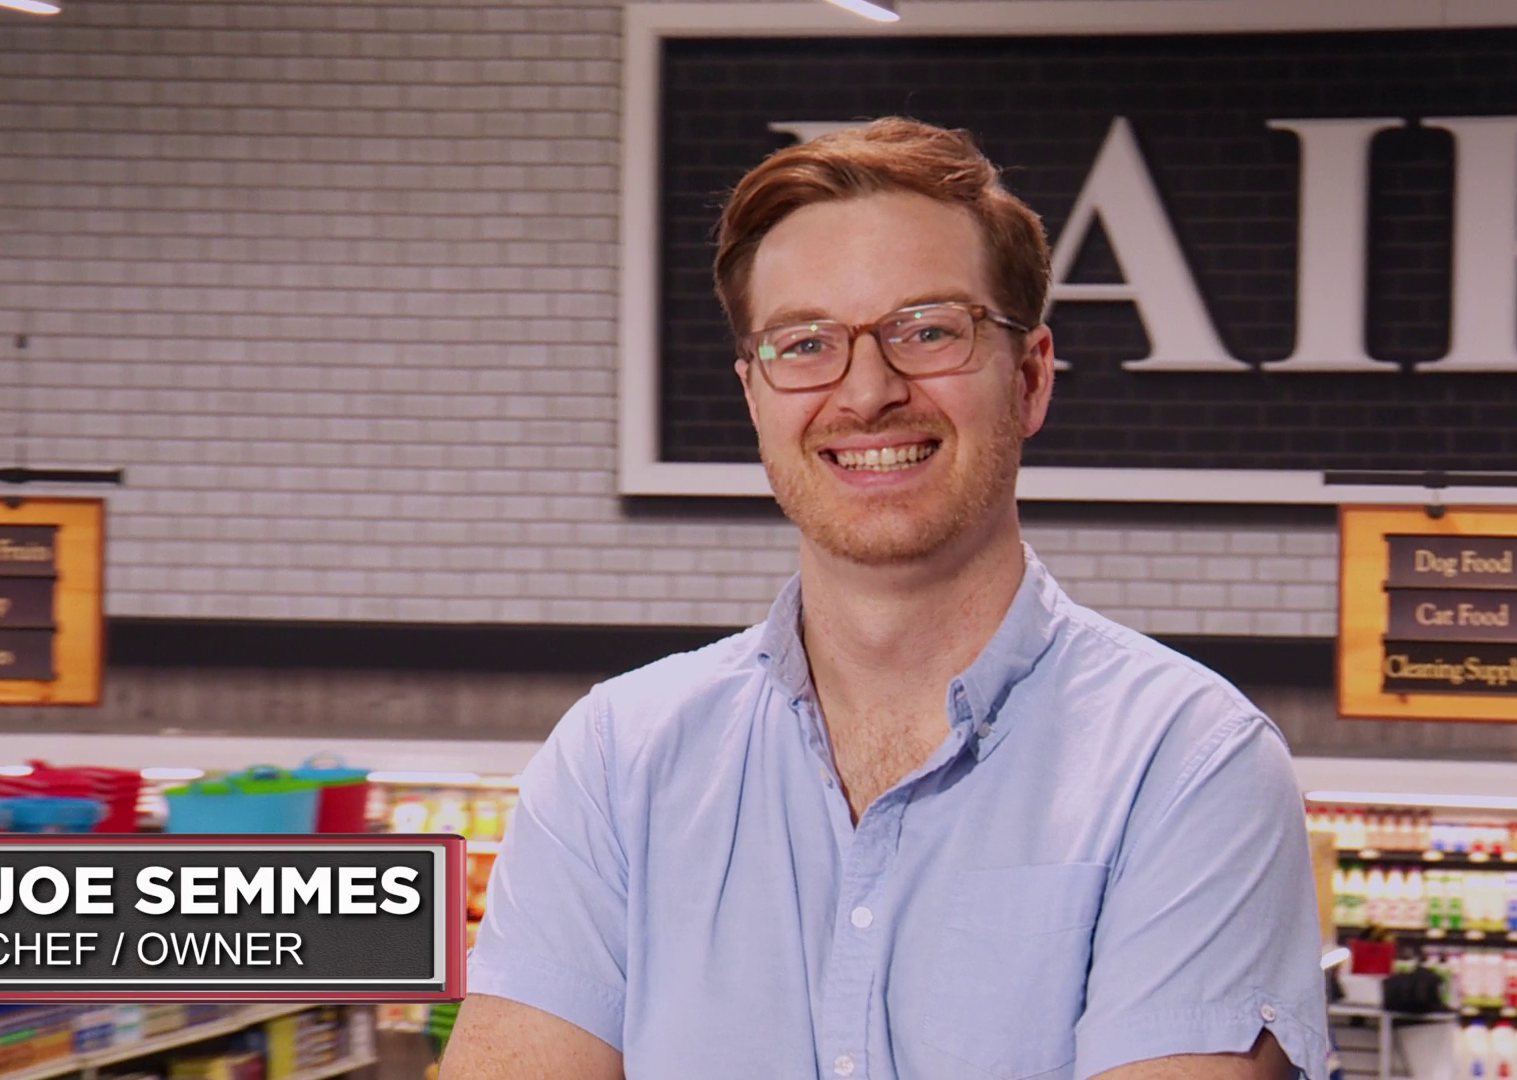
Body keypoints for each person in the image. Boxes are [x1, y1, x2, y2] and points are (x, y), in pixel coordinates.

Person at [441, 117, 1326, 1080]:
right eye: (804, 343)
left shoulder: (1188, 766)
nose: (866, 393)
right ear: (755, 397)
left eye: (929, 331)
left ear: (1030, 379)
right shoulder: (616, 761)